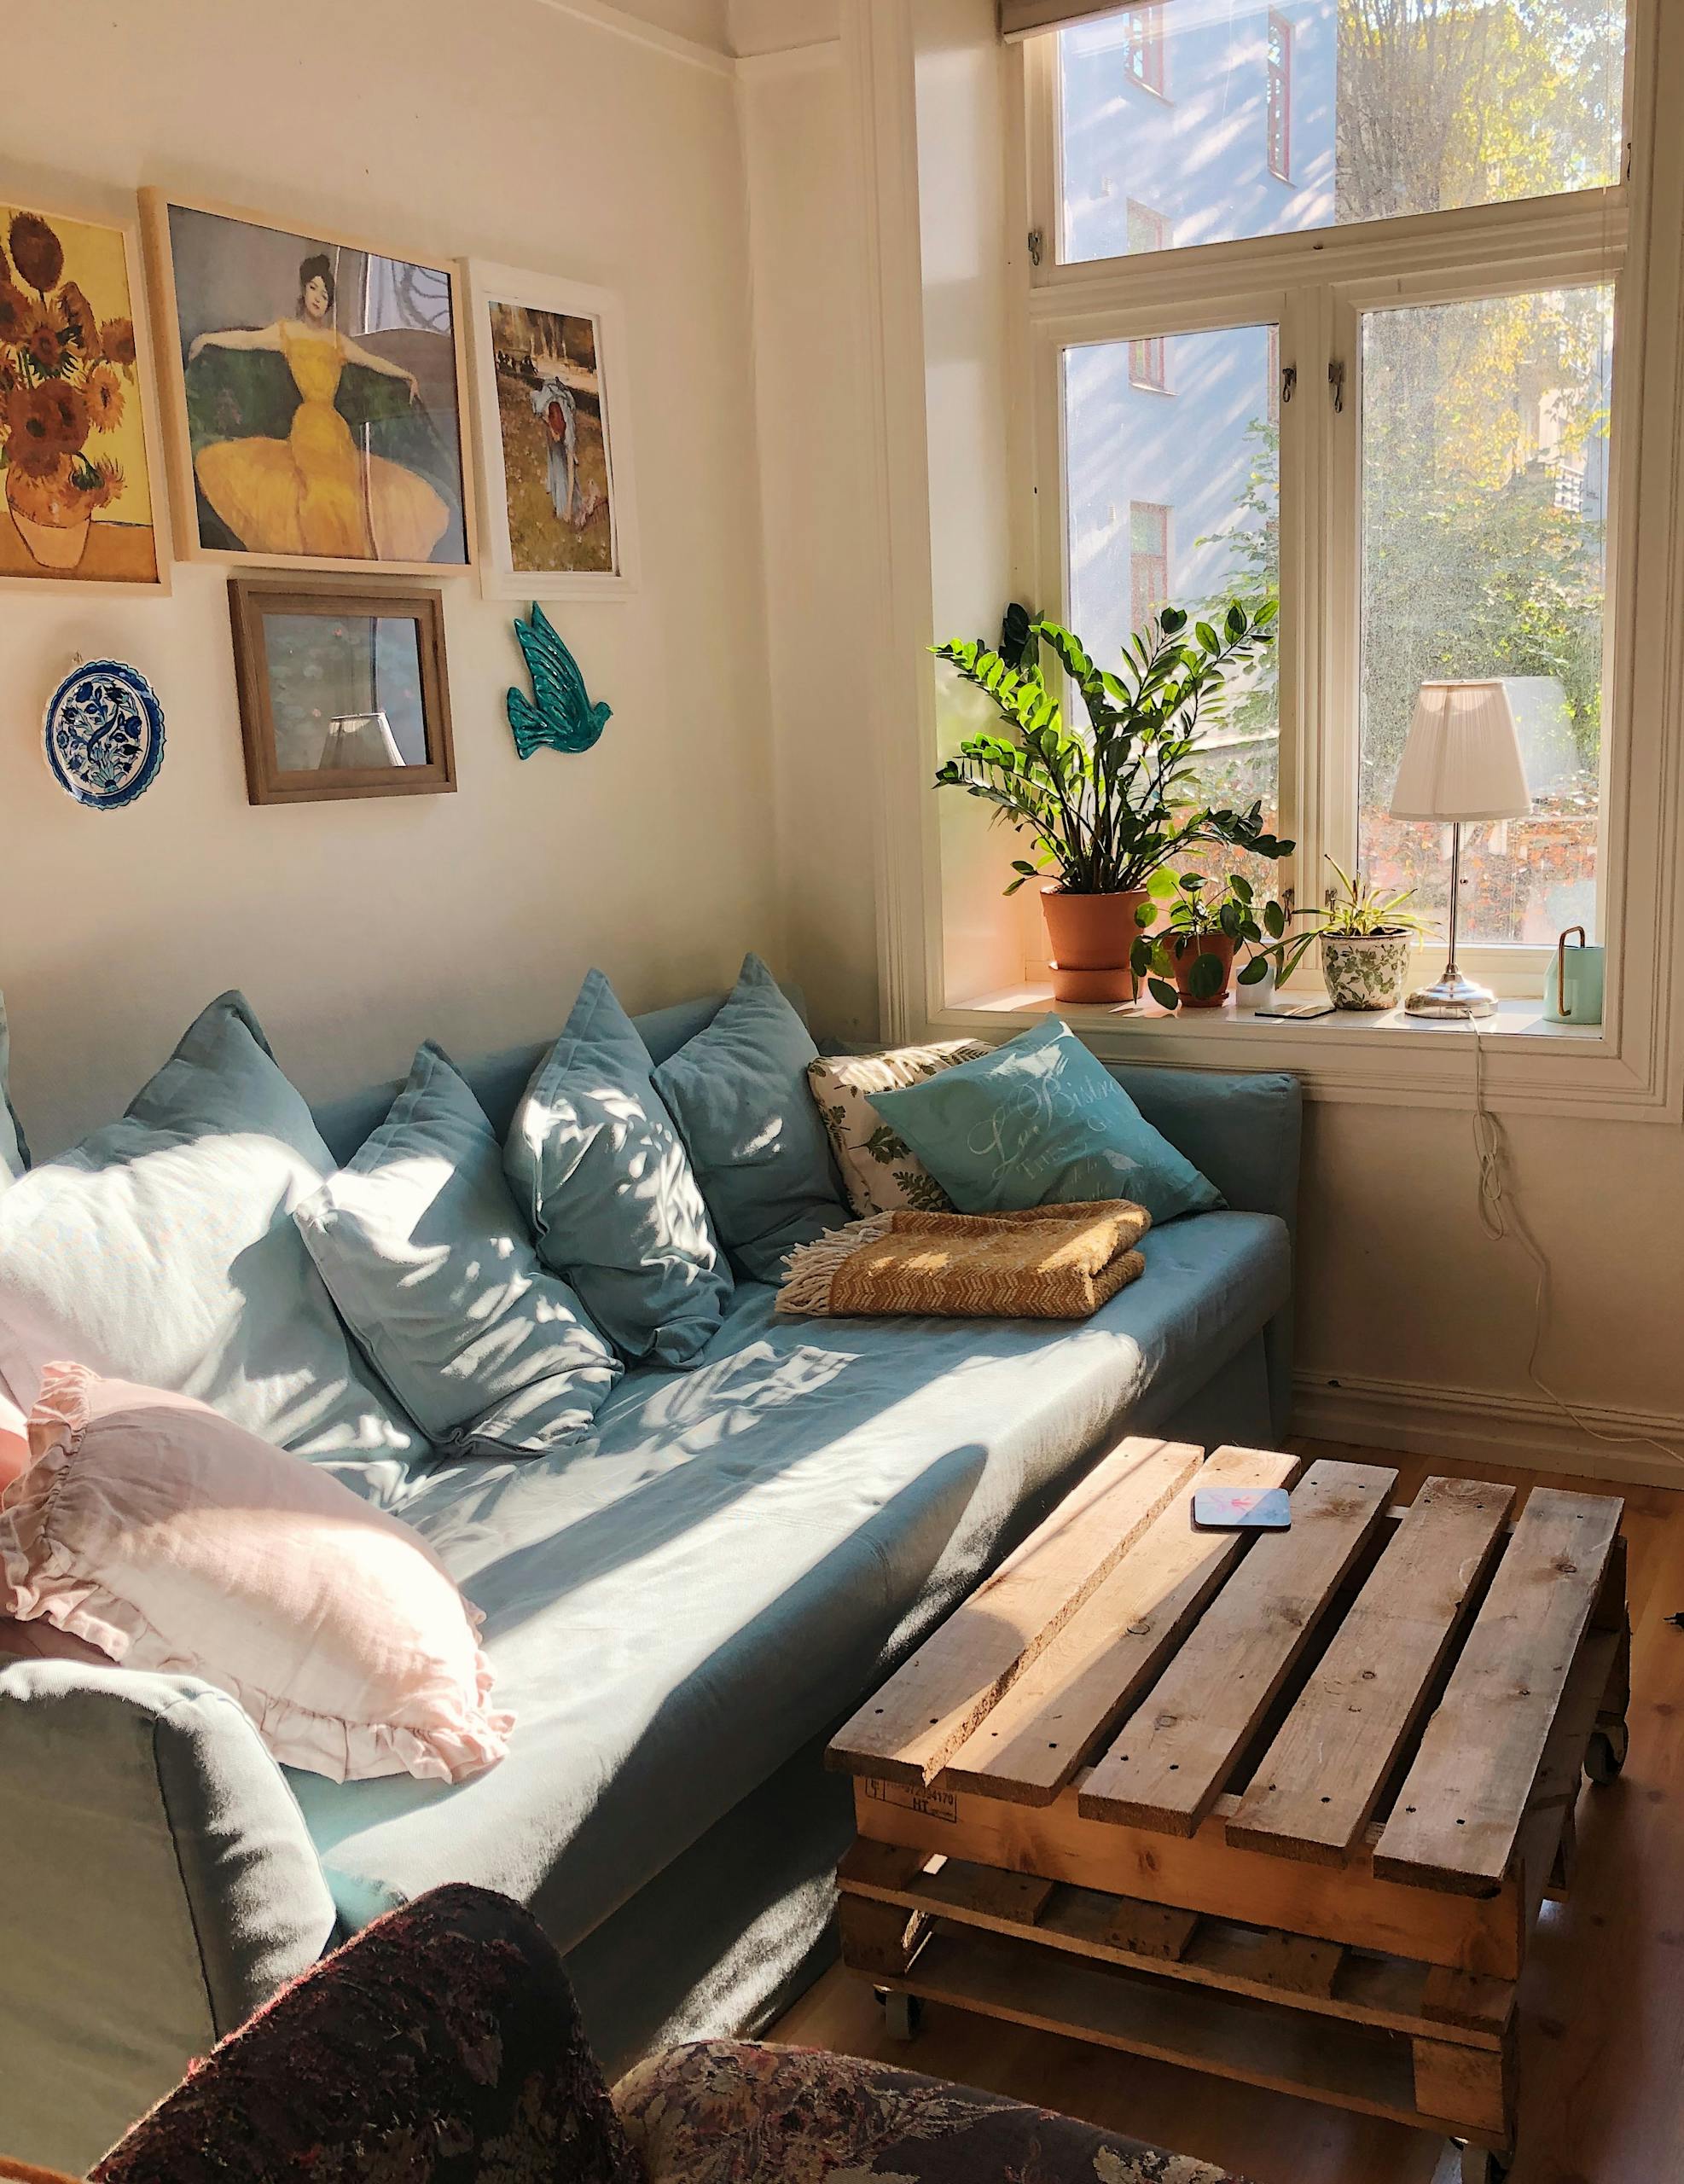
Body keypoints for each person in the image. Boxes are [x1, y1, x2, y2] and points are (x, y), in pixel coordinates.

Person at [189, 254, 449, 561]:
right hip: (308, 423)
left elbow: (372, 361)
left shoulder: (336, 342)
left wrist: (406, 375)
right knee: (318, 490)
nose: (318, 298)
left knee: (348, 492)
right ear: (304, 291)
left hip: (335, 427)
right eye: (314, 289)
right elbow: (248, 340)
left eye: (325, 295)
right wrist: (207, 339)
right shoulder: (286, 332)